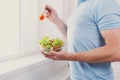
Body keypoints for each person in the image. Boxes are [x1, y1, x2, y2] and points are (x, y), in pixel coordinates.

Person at [41, 0, 120, 80]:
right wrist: (56, 20)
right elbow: (77, 40)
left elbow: (117, 52)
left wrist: (67, 56)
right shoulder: (81, 5)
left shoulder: (104, 3)